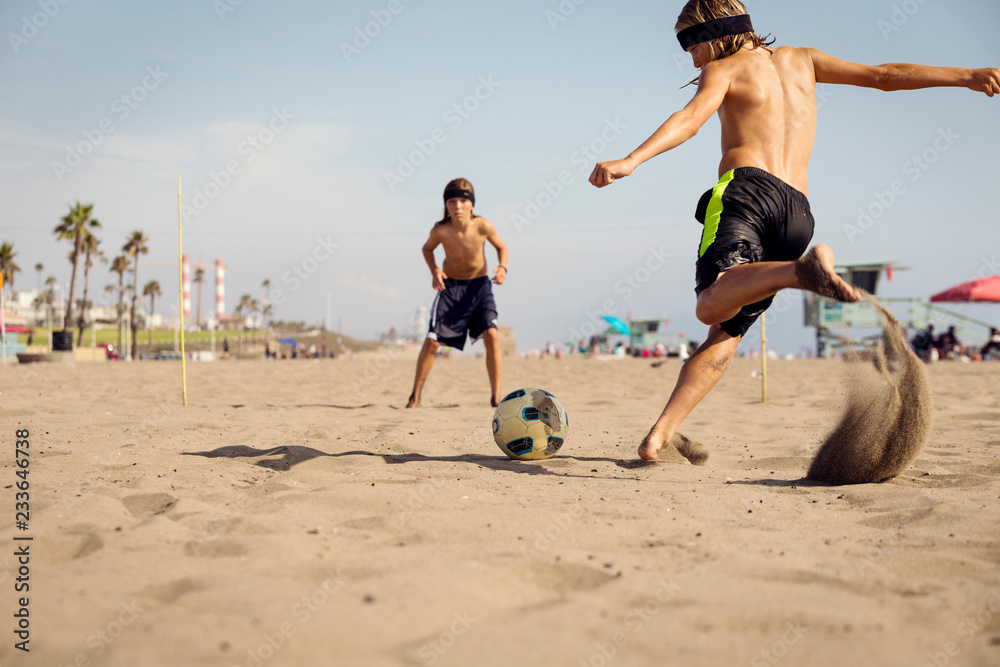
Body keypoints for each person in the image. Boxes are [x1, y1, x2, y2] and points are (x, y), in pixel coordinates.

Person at [588, 0, 1000, 462]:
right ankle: (659, 436)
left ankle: (795, 272)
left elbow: (691, 119)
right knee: (725, 332)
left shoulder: (724, 69)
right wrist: (966, 75)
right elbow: (884, 76)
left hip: (746, 195)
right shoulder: (804, 59)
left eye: (691, 45)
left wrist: (631, 160)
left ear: (714, 34)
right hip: (798, 213)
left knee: (709, 304)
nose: (691, 58)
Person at [407, 178, 508, 408]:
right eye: (452, 201)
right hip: (451, 288)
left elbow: (502, 247)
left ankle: (496, 397)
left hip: (480, 287)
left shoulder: (484, 226)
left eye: (463, 201)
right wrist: (434, 271)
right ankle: (415, 396)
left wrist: (502, 268)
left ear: (472, 204)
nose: (458, 206)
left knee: (492, 335)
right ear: (446, 205)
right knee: (432, 342)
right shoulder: (440, 230)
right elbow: (427, 248)